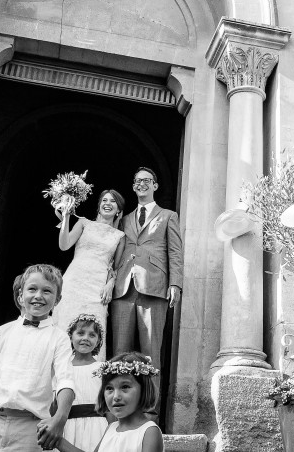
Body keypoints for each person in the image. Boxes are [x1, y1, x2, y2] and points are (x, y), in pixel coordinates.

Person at [0, 264, 76, 452]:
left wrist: (59, 419)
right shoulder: (4, 332)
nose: (38, 296)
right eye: (32, 289)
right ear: (20, 295)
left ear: (57, 299)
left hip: (29, 428)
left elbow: (65, 381)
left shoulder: (59, 338)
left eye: (47, 291)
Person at [109, 167, 183, 411]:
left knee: (151, 353)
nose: (142, 184)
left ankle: (150, 413)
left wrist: (175, 283)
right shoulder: (124, 219)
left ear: (155, 186)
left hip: (154, 288)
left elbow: (175, 252)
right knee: (120, 354)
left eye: (146, 181)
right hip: (122, 290)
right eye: (137, 181)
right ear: (133, 186)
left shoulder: (168, 216)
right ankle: (119, 411)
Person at [52, 190, 126, 347]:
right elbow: (64, 245)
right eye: (104, 200)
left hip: (97, 288)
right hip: (73, 282)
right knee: (64, 326)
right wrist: (65, 217)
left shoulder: (119, 236)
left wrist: (110, 284)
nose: (107, 203)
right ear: (99, 205)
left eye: (113, 201)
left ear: (118, 209)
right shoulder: (84, 223)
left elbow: (116, 266)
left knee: (92, 331)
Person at [56, 351, 164, 452]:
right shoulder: (111, 428)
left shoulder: (149, 432)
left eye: (125, 387)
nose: (116, 396)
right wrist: (59, 442)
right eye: (109, 388)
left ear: (144, 389)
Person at [61, 314, 110, 452]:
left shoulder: (103, 368)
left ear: (99, 340)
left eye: (92, 335)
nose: (85, 338)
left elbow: (109, 406)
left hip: (98, 428)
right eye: (80, 333)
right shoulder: (62, 368)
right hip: (68, 428)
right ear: (71, 336)